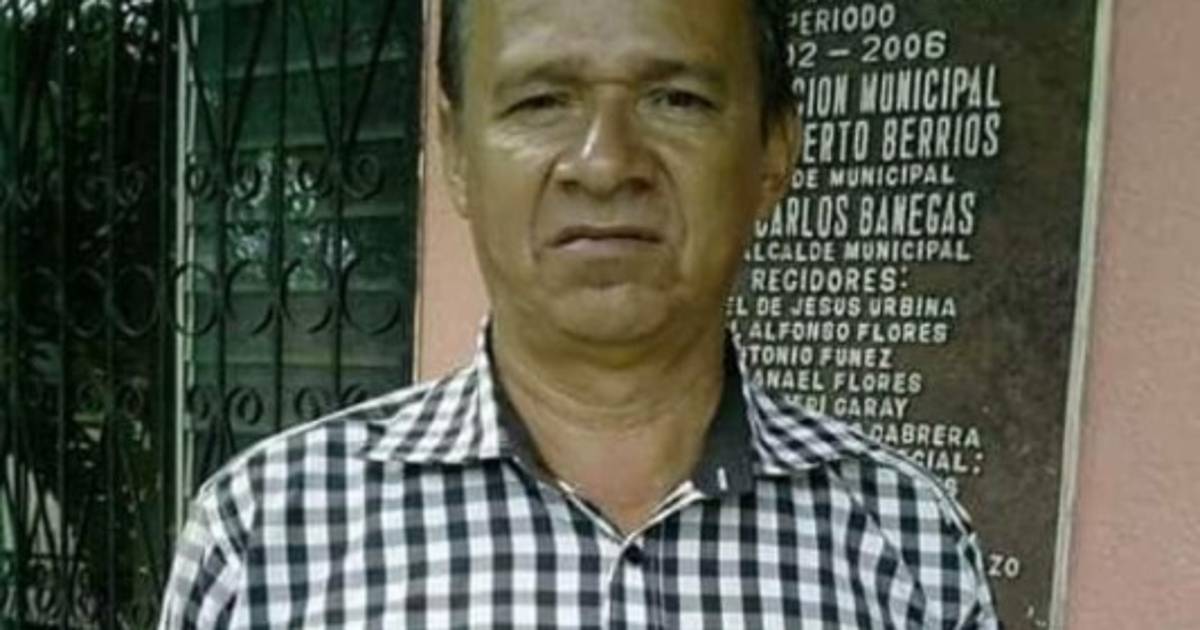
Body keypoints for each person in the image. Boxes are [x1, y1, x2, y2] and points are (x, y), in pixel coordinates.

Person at [160, 0, 1001, 627]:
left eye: (676, 99)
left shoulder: (908, 542)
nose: (605, 164)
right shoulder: (268, 535)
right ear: (455, 152)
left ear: (773, 150)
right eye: (540, 102)